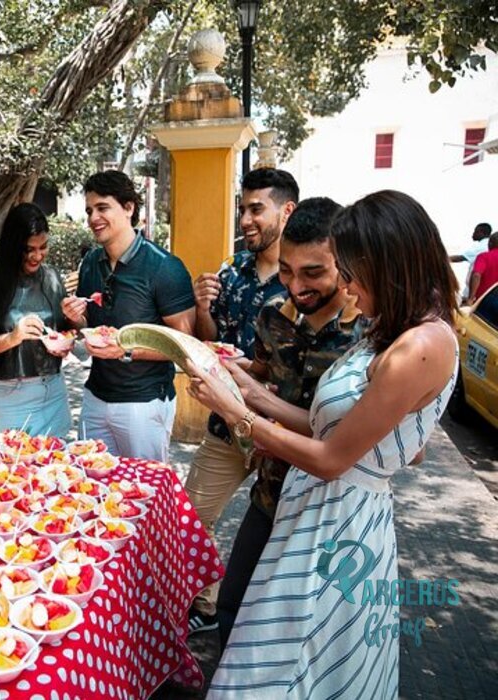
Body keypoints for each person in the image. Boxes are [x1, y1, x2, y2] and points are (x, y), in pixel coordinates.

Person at [187, 190, 459, 698]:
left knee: (290, 667)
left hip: (335, 524)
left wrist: (234, 413)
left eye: (351, 273)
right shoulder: (396, 331)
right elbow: (329, 426)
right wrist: (246, 388)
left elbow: (333, 459)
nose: (350, 289)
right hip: (310, 510)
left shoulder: (419, 346)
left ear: (389, 263)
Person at [211, 197, 367, 649]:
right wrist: (215, 367)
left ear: (347, 263)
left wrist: (252, 409)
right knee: (233, 608)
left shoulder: (368, 336)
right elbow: (261, 372)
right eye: (285, 270)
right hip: (270, 493)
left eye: (313, 273)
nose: (296, 286)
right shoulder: (272, 318)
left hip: (329, 509)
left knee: (303, 636)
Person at [185, 168, 299, 634]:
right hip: (226, 426)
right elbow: (213, 342)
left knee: (279, 531)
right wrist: (205, 310)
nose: (246, 219)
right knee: (192, 518)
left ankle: (265, 627)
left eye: (257, 209)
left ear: (286, 211)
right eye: (243, 209)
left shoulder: (308, 278)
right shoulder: (232, 271)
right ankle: (203, 607)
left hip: (286, 434)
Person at [61, 170, 195, 462]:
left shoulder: (165, 267)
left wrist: (126, 350)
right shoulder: (90, 264)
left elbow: (184, 344)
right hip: (95, 397)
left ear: (129, 208)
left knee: (142, 491)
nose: (93, 217)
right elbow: (89, 326)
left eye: (102, 207)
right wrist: (74, 318)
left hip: (143, 404)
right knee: (93, 489)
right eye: (89, 210)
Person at [0, 203, 72, 438]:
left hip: (53, 389)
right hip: (7, 395)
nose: (37, 256)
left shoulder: (52, 278)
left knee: (59, 469)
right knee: (13, 469)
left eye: (43, 247)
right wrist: (11, 338)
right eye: (29, 249)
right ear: (13, 246)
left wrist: (68, 338)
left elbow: (66, 328)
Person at [449, 222, 491, 302]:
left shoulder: (481, 246)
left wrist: (439, 259)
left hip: (473, 290)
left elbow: (461, 258)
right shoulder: (487, 245)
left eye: (476, 231)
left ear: (482, 233)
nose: (473, 234)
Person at [468, 231, 498, 302]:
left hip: (484, 301)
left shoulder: (484, 257)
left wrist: (471, 298)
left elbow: (476, 275)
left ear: (490, 243)